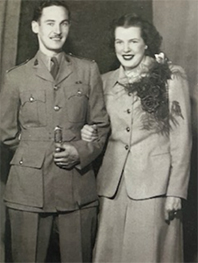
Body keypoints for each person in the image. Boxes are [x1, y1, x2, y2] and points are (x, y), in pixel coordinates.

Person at [0, 1, 110, 262]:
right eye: (49, 23)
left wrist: (79, 151)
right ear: (35, 27)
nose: (57, 30)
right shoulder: (16, 77)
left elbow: (100, 125)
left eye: (63, 23)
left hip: (77, 188)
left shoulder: (87, 70)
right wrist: (37, 151)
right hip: (29, 191)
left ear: (69, 27)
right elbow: (6, 133)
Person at [81, 14, 192, 262]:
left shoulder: (170, 77)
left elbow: (181, 137)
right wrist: (87, 133)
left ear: (146, 44)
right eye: (119, 42)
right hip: (113, 187)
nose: (126, 49)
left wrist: (176, 191)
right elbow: (99, 130)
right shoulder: (104, 81)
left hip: (155, 187)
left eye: (132, 41)